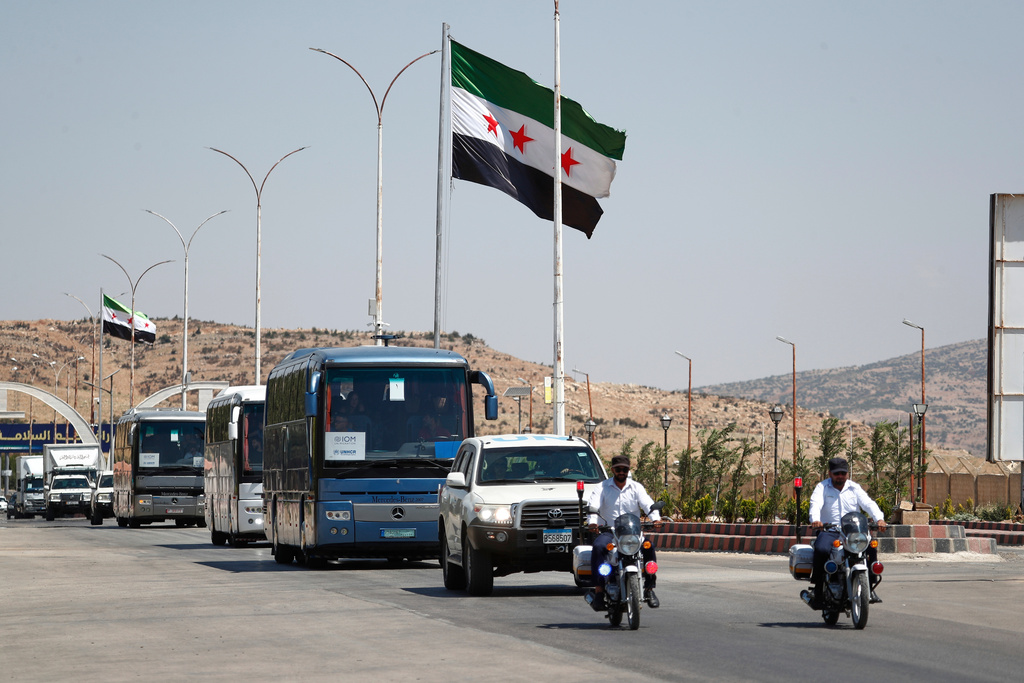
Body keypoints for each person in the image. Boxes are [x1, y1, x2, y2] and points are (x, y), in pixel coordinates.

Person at [807, 456, 888, 608]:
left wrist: (879, 519)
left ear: (847, 474)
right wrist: (816, 519)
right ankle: (818, 589)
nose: (840, 477)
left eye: (843, 473)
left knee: (871, 546)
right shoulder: (822, 487)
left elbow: (868, 503)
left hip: (852, 532)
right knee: (821, 549)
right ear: (830, 473)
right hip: (830, 530)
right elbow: (815, 504)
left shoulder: (854, 488)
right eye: (837, 473)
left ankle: (869, 587)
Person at [587, 454, 663, 610]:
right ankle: (599, 591)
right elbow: (593, 505)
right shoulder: (602, 487)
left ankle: (649, 589)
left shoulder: (637, 487)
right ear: (613, 470)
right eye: (618, 469)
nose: (621, 472)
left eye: (624, 469)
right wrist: (593, 522)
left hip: (632, 533)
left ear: (629, 470)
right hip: (610, 532)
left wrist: (656, 518)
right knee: (598, 547)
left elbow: (648, 504)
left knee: (649, 547)